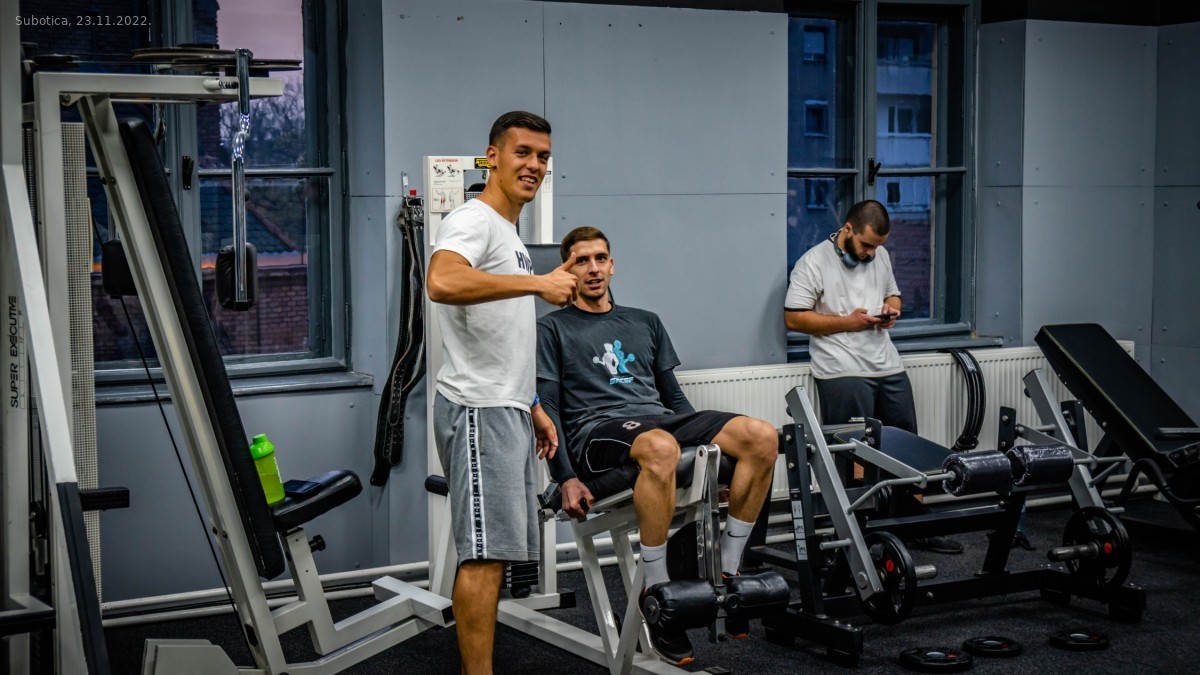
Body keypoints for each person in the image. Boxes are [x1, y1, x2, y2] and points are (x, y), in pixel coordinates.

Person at [536, 226, 780, 665]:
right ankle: (659, 589)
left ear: (612, 264)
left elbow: (675, 400)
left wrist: (710, 464)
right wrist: (566, 477)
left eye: (600, 258)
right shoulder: (552, 328)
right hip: (598, 431)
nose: (593, 268)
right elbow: (549, 407)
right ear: (567, 270)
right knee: (662, 446)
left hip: (659, 422)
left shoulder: (645, 321)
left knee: (762, 437)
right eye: (581, 261)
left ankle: (729, 571)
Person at [426, 110, 580, 675]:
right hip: (479, 407)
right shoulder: (475, 219)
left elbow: (501, 334)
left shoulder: (509, 234)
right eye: (523, 153)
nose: (535, 165)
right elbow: (441, 280)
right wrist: (539, 283)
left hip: (506, 405)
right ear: (492, 157)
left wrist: (532, 404)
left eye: (543, 156)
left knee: (496, 552)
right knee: (485, 557)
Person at [783, 199, 962, 555]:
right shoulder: (813, 262)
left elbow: (893, 294)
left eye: (877, 247)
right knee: (855, 456)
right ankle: (859, 535)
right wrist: (848, 322)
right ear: (848, 229)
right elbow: (793, 318)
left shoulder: (880, 256)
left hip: (887, 364)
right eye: (866, 245)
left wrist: (891, 310)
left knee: (908, 447)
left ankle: (913, 527)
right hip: (841, 369)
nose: (870, 253)